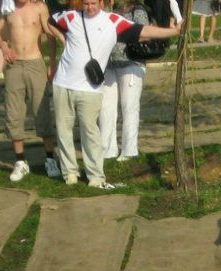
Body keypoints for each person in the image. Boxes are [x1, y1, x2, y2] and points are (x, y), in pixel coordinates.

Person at [50, 0, 180, 189]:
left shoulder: (113, 21)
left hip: (89, 89)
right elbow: (49, 21)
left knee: (90, 132)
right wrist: (64, 39)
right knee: (64, 131)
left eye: (93, 3)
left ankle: (95, 175)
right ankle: (69, 172)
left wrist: (173, 32)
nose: (90, 7)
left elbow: (143, 31)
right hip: (62, 83)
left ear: (101, 3)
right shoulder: (71, 17)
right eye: (86, 3)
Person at [0, 0, 61, 182]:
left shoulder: (39, 6)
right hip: (14, 65)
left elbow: (51, 34)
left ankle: (50, 158)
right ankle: (20, 161)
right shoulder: (6, 6)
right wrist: (4, 46)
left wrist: (52, 63)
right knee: (14, 113)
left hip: (35, 63)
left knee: (42, 111)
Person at [99, 0, 150, 164]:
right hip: (108, 64)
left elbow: (145, 33)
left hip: (131, 62)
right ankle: (107, 148)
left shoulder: (137, 9)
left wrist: (120, 37)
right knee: (106, 108)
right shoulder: (106, 9)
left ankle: (129, 149)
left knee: (129, 106)